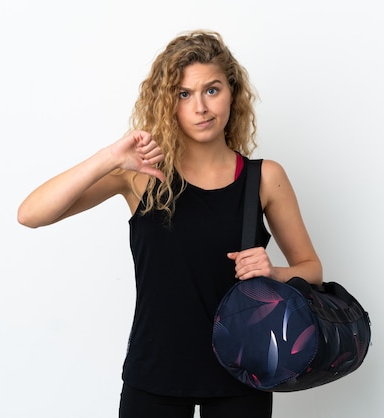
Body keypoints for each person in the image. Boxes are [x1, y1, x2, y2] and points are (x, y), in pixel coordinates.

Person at [18, 30, 322, 418]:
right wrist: (109, 157)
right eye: (184, 94)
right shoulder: (139, 175)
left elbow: (312, 270)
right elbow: (31, 214)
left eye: (212, 90)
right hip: (155, 375)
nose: (200, 107)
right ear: (168, 103)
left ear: (232, 94)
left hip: (242, 375)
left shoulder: (263, 178)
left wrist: (274, 272)